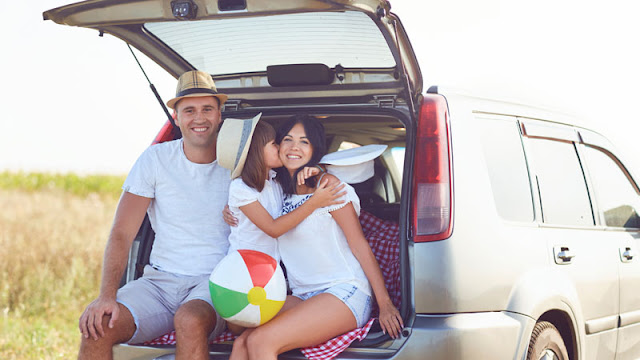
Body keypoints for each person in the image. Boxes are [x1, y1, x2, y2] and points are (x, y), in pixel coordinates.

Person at [77, 70, 232, 360]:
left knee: (189, 319)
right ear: (176, 116)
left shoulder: (238, 164)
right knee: (97, 326)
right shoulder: (155, 159)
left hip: (214, 283)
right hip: (159, 284)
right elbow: (122, 232)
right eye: (189, 110)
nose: (199, 118)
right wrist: (107, 296)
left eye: (207, 109)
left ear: (219, 114)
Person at [229, 114, 404, 360]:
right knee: (243, 341)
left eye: (304, 142)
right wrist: (228, 210)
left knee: (261, 341)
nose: (294, 147)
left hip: (344, 290)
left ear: (315, 149)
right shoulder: (276, 189)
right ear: (277, 146)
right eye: (288, 139)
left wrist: (384, 304)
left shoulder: (327, 185)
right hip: (303, 294)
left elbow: (359, 245)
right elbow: (250, 204)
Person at [216, 114, 345, 334]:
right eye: (274, 144)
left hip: (268, 277)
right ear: (256, 151)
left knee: (255, 337)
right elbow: (274, 229)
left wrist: (320, 170)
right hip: (243, 277)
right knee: (246, 335)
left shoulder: (274, 180)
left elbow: (304, 168)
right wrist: (315, 202)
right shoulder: (241, 188)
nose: (280, 148)